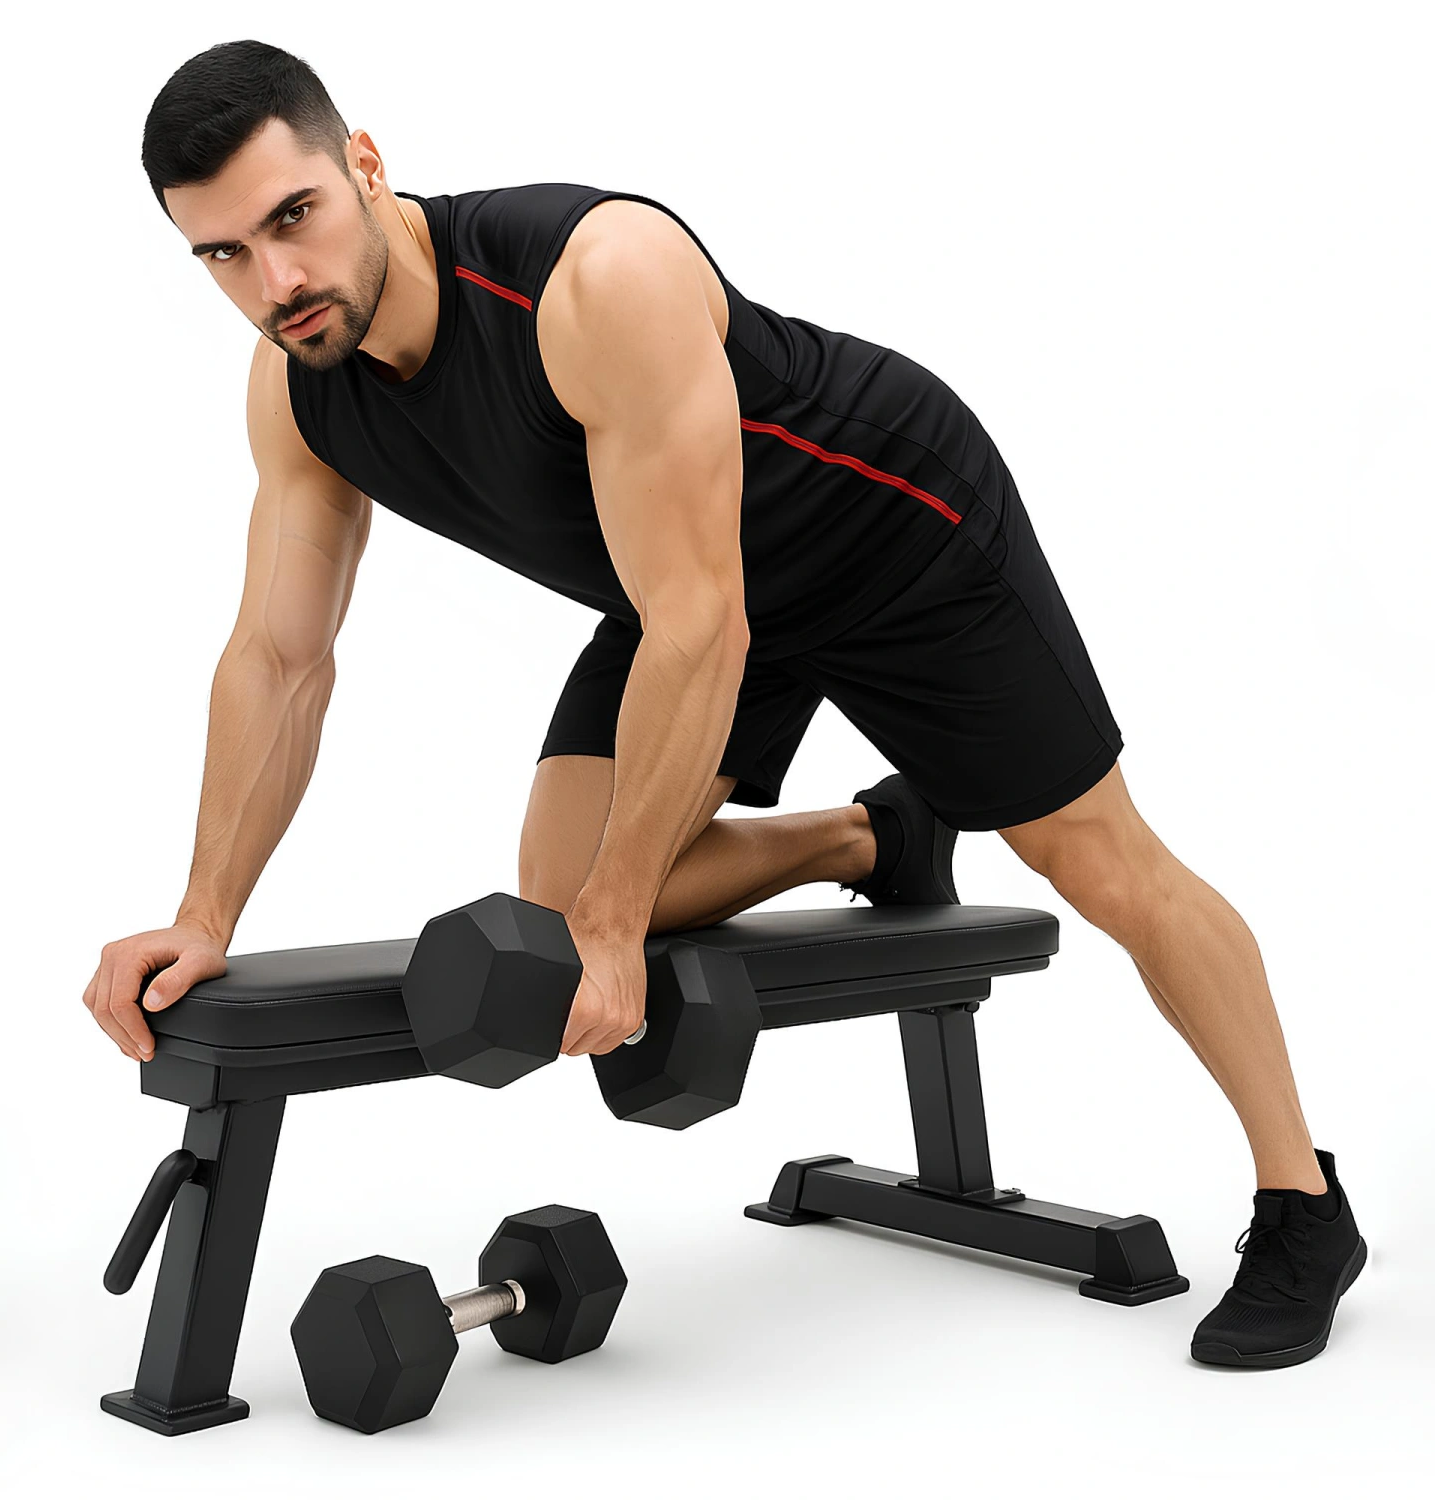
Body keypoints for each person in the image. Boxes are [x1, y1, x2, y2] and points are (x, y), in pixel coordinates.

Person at [82, 39, 1365, 1368]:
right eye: (223, 254)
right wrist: (205, 914)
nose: (277, 282)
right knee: (558, 892)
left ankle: (1304, 1203)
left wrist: (621, 924)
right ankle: (872, 837)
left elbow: (704, 622)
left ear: (364, 165)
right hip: (682, 579)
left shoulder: (593, 277)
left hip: (887, 530)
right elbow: (279, 658)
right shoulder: (301, 394)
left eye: (293, 217)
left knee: (1097, 860)